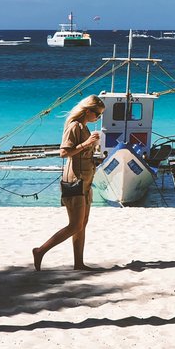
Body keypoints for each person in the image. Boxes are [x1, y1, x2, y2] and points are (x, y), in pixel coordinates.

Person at [33, 95, 105, 271]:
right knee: (75, 225)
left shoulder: (85, 128)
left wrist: (95, 157)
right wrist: (87, 143)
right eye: (97, 114)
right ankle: (40, 250)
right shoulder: (74, 126)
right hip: (74, 180)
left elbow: (82, 155)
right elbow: (64, 153)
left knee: (82, 224)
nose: (98, 118)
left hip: (86, 181)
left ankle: (79, 263)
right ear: (87, 111)